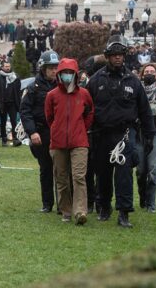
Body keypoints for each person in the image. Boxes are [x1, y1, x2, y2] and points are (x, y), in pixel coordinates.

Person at [87, 36, 155, 228]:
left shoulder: (133, 81)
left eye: (120, 55)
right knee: (102, 172)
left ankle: (124, 212)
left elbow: (144, 111)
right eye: (114, 55)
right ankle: (104, 206)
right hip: (100, 132)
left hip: (125, 133)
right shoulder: (95, 80)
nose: (118, 58)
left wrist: (149, 136)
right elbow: (86, 108)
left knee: (124, 173)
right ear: (107, 57)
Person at [45, 58, 95, 225]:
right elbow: (49, 117)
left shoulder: (84, 94)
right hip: (58, 143)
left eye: (70, 72)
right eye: (64, 72)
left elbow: (90, 113)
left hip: (79, 142)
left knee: (79, 176)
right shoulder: (51, 96)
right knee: (61, 178)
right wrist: (56, 130)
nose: (67, 75)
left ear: (75, 74)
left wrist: (81, 128)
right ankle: (66, 210)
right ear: (59, 75)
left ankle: (80, 211)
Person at [20, 50, 60, 213]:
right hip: (41, 133)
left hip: (59, 132)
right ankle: (47, 203)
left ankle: (63, 204)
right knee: (46, 169)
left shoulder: (63, 86)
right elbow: (25, 111)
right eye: (50, 67)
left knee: (62, 170)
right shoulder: (33, 88)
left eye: (56, 67)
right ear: (43, 69)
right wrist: (32, 132)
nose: (54, 70)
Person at [136, 63, 156, 213]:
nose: (149, 74)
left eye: (152, 71)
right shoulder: (136, 92)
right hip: (140, 134)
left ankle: (151, 203)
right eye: (146, 71)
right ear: (142, 75)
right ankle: (143, 196)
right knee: (141, 171)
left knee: (153, 170)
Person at [0, 61, 22, 147]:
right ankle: (4, 139)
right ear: (2, 67)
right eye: (6, 66)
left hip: (12, 102)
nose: (7, 68)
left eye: (8, 66)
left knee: (14, 122)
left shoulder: (15, 77)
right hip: (2, 103)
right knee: (3, 122)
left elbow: (18, 90)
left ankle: (15, 139)